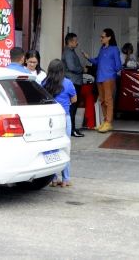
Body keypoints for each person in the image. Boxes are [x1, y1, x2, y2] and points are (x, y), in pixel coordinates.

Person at [42, 59, 77, 187]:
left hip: (49, 120)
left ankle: (53, 178)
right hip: (64, 118)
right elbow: (74, 99)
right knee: (65, 148)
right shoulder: (68, 83)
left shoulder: (44, 83)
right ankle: (66, 179)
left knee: (51, 148)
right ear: (62, 71)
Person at [82, 28, 122, 133]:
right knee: (102, 100)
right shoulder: (102, 48)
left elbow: (118, 66)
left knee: (108, 100)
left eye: (103, 37)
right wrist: (88, 58)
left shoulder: (114, 49)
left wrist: (109, 70)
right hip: (100, 77)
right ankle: (105, 122)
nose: (101, 38)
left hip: (108, 78)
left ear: (109, 37)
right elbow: (97, 61)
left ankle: (108, 122)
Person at [62, 33, 86, 136]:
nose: (77, 42)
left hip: (74, 81)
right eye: (75, 41)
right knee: (72, 106)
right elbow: (71, 67)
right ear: (70, 41)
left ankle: (72, 128)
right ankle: (71, 130)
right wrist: (82, 69)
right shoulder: (68, 52)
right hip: (73, 82)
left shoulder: (70, 52)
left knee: (73, 107)